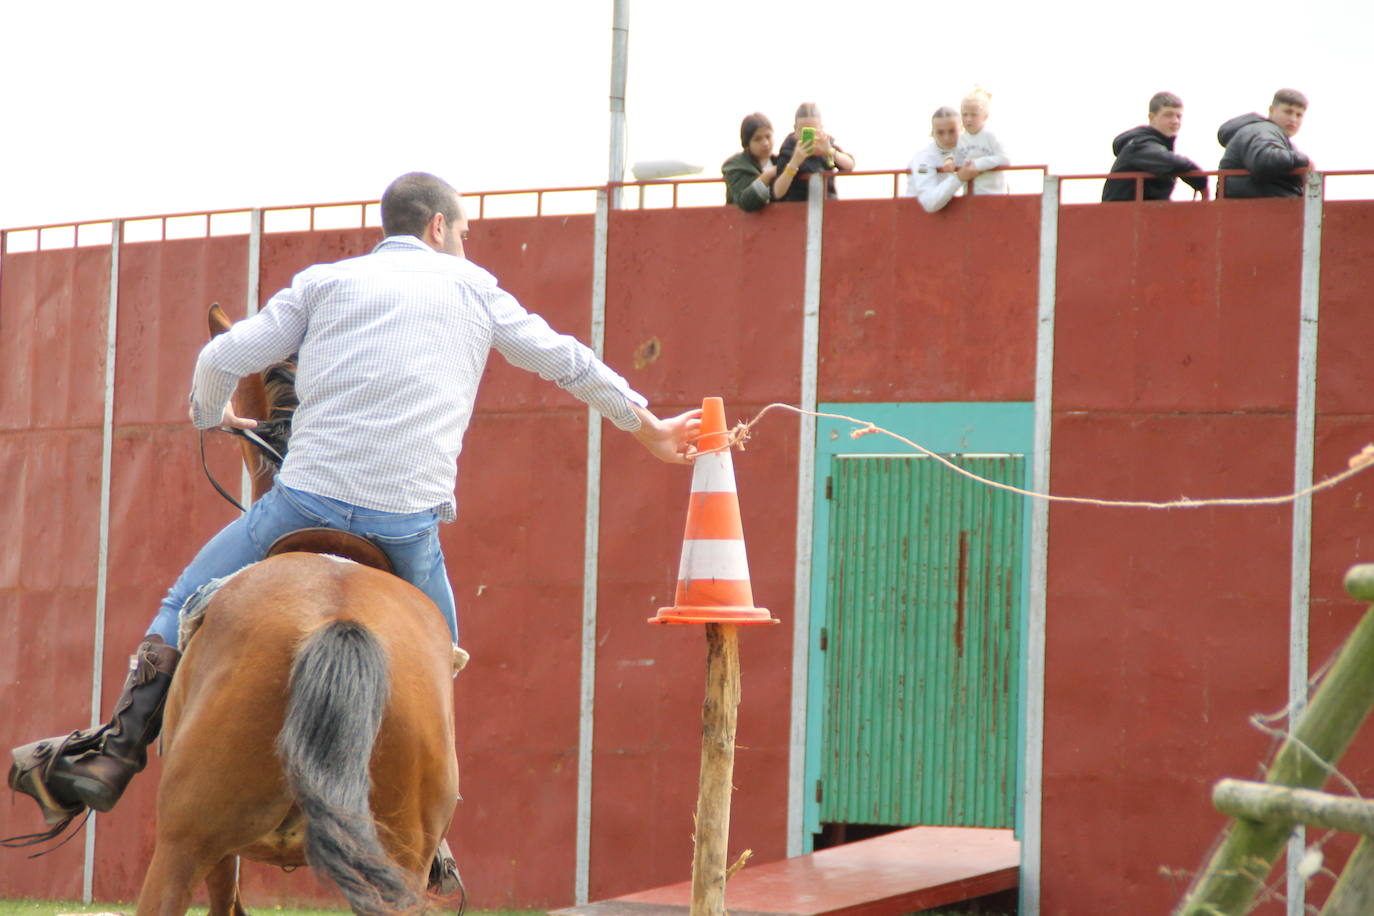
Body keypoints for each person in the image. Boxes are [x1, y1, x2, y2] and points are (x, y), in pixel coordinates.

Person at [9, 172, 700, 832]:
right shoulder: (475, 289)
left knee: (176, 603)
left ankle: (115, 752)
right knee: (440, 657)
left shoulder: (324, 282)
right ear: (438, 226)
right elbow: (569, 362)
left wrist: (208, 416)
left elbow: (221, 358)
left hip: (300, 504)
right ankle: (432, 824)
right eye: (463, 230)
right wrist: (650, 430)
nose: (465, 242)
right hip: (405, 527)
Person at [1102, 92, 1209, 202]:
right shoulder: (1139, 145)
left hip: (1142, 213)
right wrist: (1202, 185)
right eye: (1168, 115)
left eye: (1178, 116)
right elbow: (1173, 162)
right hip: (1125, 215)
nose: (1175, 121)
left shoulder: (1151, 144)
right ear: (1152, 117)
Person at [1217, 89, 1310, 198]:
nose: (1293, 119)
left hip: (1260, 206)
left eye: (1299, 115)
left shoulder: (1272, 135)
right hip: (1256, 208)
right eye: (1288, 112)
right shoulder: (1262, 130)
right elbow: (1265, 160)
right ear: (1272, 110)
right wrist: (1303, 160)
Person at [772, 102, 855, 202]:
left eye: (813, 131)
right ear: (795, 129)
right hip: (799, 207)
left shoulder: (826, 143)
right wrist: (794, 162)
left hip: (828, 205)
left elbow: (849, 165)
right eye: (803, 131)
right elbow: (777, 192)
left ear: (821, 128)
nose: (809, 137)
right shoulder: (788, 149)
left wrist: (830, 151)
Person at [904, 107, 980, 213]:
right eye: (940, 132)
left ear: (962, 129)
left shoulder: (969, 150)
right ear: (932, 133)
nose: (947, 138)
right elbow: (929, 202)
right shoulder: (923, 160)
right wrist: (958, 178)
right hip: (917, 219)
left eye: (952, 131)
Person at [955, 89, 1009, 195]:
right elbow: (954, 159)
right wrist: (949, 161)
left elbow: (1005, 159)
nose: (968, 119)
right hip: (969, 197)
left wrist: (977, 165)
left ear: (985, 116)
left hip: (994, 195)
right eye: (964, 115)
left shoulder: (991, 136)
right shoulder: (959, 140)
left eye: (973, 115)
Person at [722, 113, 779, 212]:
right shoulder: (735, 166)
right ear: (747, 144)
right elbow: (746, 202)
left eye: (768, 136)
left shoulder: (780, 161)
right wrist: (768, 175)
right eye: (758, 139)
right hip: (742, 225)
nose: (765, 143)